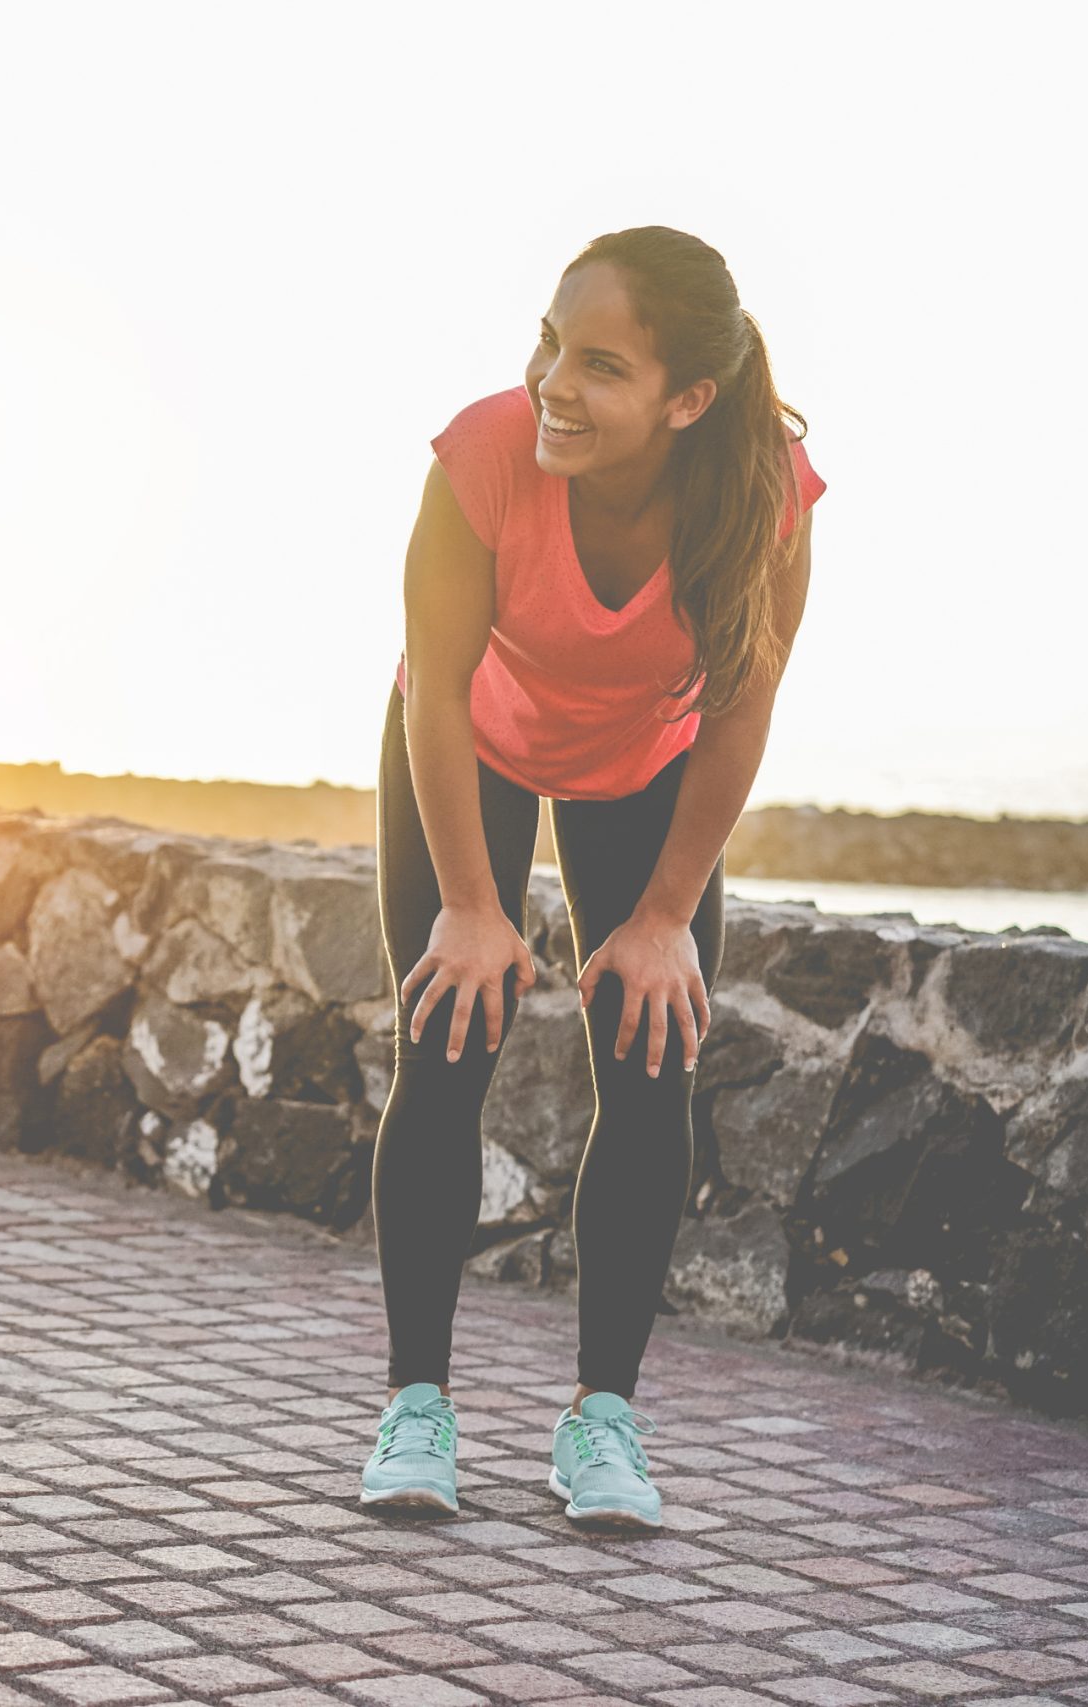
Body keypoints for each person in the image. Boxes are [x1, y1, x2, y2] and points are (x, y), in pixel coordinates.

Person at [356, 228, 824, 1530]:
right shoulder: (487, 452)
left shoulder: (763, 494)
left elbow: (739, 707)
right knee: (444, 1043)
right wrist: (471, 904)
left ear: (688, 401)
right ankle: (417, 1407)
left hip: (649, 770)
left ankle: (602, 1420)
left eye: (600, 364)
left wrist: (665, 915)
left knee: (652, 1056)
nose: (555, 379)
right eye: (552, 342)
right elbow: (435, 694)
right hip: (473, 749)